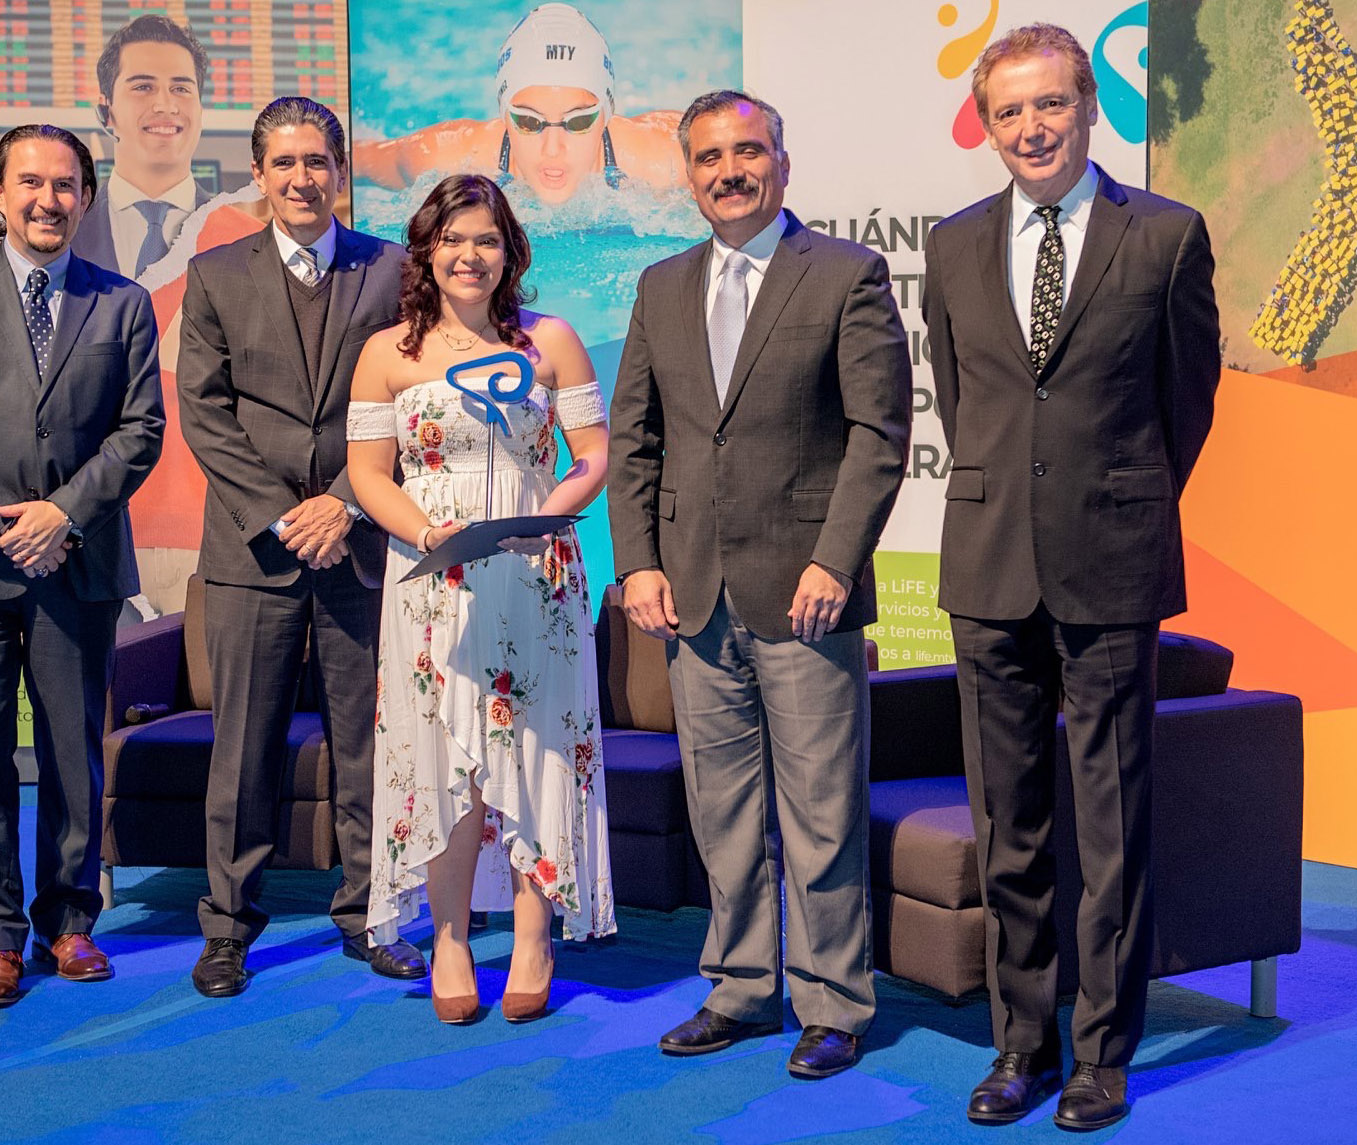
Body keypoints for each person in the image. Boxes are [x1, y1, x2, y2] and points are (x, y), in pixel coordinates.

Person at [921, 24, 1220, 1130]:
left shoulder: (1165, 235)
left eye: (1049, 106)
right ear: (986, 126)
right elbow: (965, 407)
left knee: (1111, 829)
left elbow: (1182, 404)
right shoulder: (951, 246)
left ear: (1087, 108)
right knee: (1009, 829)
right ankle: (1020, 1045)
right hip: (986, 567)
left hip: (1111, 561)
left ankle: (1101, 1055)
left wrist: (1114, 496)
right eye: (1008, 112)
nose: (1030, 128)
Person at [607, 90, 912, 1078]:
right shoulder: (658, 287)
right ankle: (738, 986)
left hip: (805, 593)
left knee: (821, 807)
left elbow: (878, 433)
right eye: (707, 157)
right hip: (691, 596)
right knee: (722, 808)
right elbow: (634, 442)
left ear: (781, 161)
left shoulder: (846, 274)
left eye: (747, 151)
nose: (727, 170)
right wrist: (638, 560)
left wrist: (836, 557)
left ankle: (831, 1002)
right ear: (686, 174)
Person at [0, 123, 165, 1008]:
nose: (49, 199)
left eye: (66, 185)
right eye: (31, 183)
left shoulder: (122, 303)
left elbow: (141, 430)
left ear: (86, 198)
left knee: (71, 750)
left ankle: (69, 920)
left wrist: (63, 514)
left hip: (76, 560)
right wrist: (5, 522)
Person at [346, 173, 615, 1025]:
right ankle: (452, 937)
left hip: (536, 573)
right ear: (427, 248)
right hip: (432, 583)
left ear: (510, 251)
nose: (471, 255)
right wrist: (429, 534)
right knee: (443, 763)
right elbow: (364, 474)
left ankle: (535, 938)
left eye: (488, 239)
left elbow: (593, 459)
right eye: (453, 239)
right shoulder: (388, 351)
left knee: (536, 752)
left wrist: (541, 516)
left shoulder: (551, 342)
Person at [176, 96, 422, 997]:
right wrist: (287, 514)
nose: (302, 178)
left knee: (372, 741)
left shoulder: (395, 269)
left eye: (317, 161)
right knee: (244, 747)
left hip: (361, 544)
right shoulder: (213, 277)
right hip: (255, 553)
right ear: (258, 173)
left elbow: (411, 404)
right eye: (284, 163)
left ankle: (370, 913)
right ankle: (229, 927)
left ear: (340, 171)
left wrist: (344, 503)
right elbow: (204, 413)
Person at [351, 3, 684, 204]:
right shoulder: (448, 159)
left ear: (606, 117)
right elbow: (352, 160)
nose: (553, 149)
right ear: (505, 117)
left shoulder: (665, 161)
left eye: (579, 121)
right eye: (529, 122)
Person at [72, 14, 210, 279]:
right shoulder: (65, 232)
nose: (165, 105)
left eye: (181, 88)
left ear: (200, 110)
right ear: (106, 110)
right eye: (143, 86)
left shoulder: (243, 234)